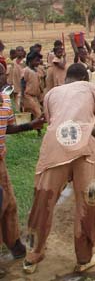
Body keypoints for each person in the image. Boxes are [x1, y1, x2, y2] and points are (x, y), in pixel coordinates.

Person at [23, 63, 95, 274]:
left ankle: (31, 259)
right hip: (84, 154)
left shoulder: (52, 93)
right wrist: (92, 129)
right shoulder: (90, 88)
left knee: (43, 202)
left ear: (67, 79)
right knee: (88, 203)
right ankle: (84, 258)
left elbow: (54, 120)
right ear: (84, 78)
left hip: (54, 150)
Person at [0, 63, 45, 279]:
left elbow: (7, 127)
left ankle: (14, 245)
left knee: (9, 204)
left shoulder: (6, 102)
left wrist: (31, 125)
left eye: (1, 73)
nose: (1, 77)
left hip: (1, 162)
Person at [21, 51, 44, 120]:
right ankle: (38, 128)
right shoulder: (26, 70)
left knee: (32, 113)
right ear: (30, 61)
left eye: (39, 60)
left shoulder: (36, 70)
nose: (38, 62)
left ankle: (33, 127)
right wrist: (22, 97)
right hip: (28, 95)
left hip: (35, 96)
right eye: (36, 60)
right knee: (38, 113)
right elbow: (22, 83)